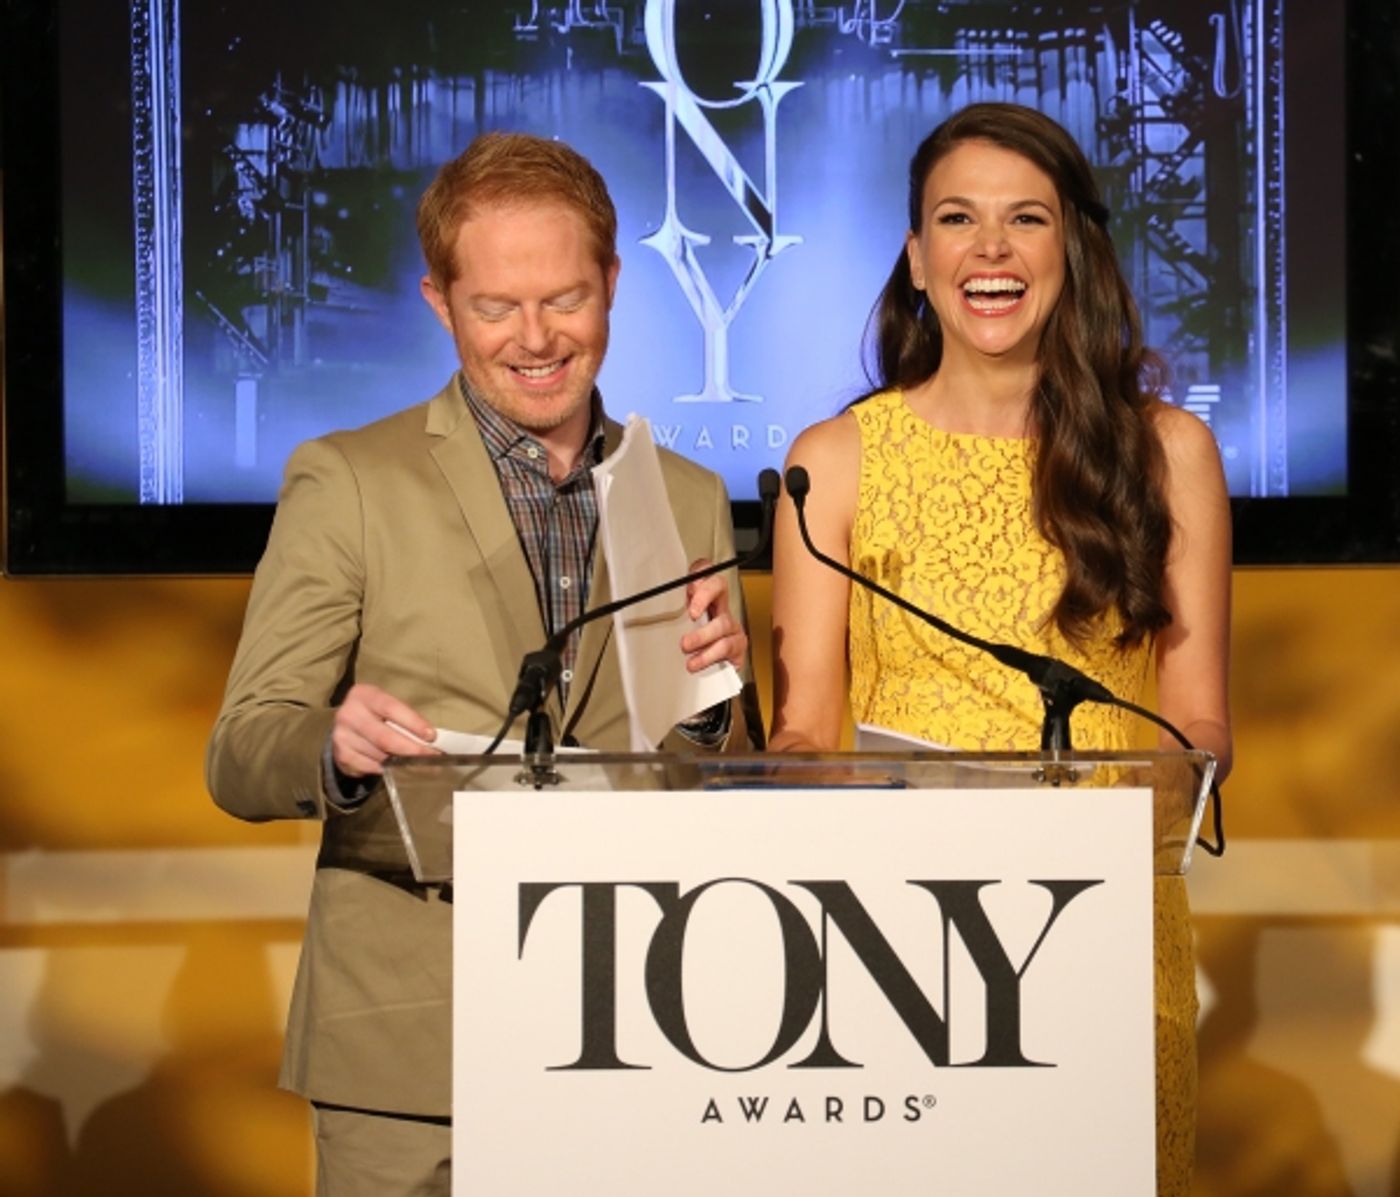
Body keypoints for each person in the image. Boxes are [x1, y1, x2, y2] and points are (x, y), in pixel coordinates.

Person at [206, 131, 757, 1196]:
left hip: (640, 1030)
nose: (536, 337)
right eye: (495, 306)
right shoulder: (348, 480)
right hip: (414, 1046)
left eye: (563, 298)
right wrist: (332, 745)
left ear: (611, 284)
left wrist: (707, 714)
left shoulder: (685, 494)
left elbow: (714, 778)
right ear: (439, 302)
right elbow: (240, 750)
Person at [768, 102, 1232, 1195]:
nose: (989, 249)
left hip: (1108, 946)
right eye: (955, 219)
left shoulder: (1168, 454)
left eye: (1023, 218)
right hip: (898, 962)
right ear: (916, 257)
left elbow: (1201, 721)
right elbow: (796, 735)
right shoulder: (830, 462)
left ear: (1068, 247)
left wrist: (1157, 795)